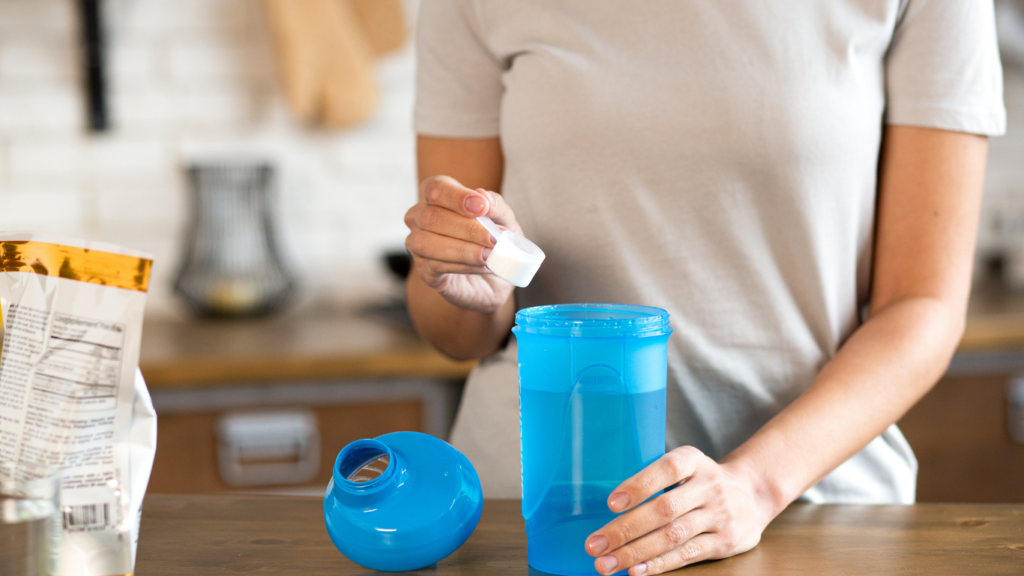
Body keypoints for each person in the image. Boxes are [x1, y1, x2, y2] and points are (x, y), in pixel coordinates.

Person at [403, 1, 1005, 574]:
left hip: (814, 511)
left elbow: (924, 305)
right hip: (544, 523)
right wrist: (471, 280)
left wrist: (755, 484)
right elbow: (453, 331)